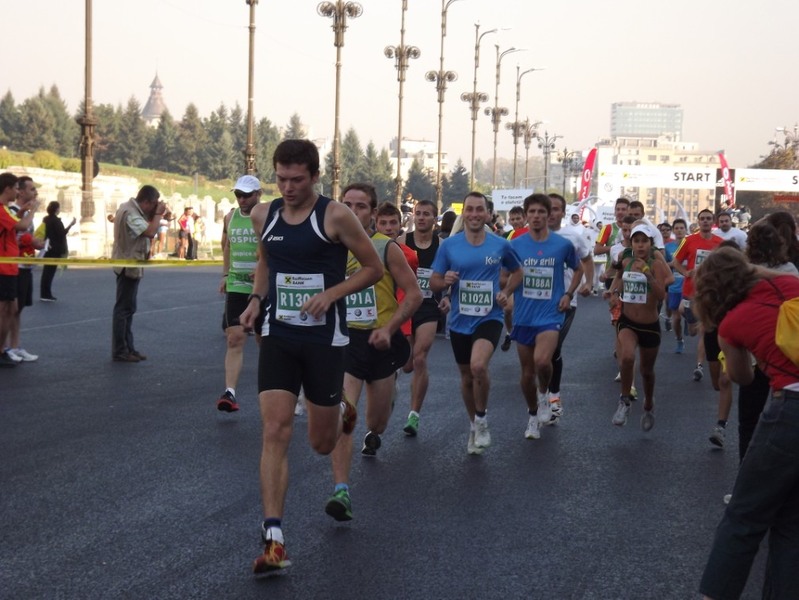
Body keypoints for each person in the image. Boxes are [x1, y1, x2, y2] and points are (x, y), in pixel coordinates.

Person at [238, 140, 382, 574]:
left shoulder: (335, 216)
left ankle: (341, 410)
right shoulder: (263, 215)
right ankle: (274, 540)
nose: (288, 188)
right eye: (281, 179)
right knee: (275, 429)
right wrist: (255, 299)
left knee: (321, 444)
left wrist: (331, 294)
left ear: (315, 176)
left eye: (297, 180)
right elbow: (266, 261)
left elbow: (373, 268)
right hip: (278, 334)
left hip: (324, 339)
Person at [694, 247, 799, 600]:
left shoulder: (732, 323)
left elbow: (743, 377)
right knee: (792, 525)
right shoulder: (790, 284)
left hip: (790, 410)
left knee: (743, 516)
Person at [326, 183, 420, 515]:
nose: (353, 211)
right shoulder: (329, 246)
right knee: (345, 414)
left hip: (381, 341)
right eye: (347, 204)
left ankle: (386, 401)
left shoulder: (386, 248)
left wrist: (390, 328)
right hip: (345, 340)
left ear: (373, 212)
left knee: (376, 422)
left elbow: (414, 295)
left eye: (361, 206)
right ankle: (341, 491)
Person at [430, 192, 522, 454]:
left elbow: (518, 272)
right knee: (467, 377)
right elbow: (434, 282)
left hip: (489, 316)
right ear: (464, 213)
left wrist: (507, 292)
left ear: (488, 214)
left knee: (478, 366)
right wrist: (444, 283)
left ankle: (481, 419)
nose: (474, 214)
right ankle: (473, 425)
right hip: (459, 319)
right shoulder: (450, 246)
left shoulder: (500, 245)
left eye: (479, 209)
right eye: (469, 209)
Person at [505, 194, 583, 440]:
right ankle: (532, 415)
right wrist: (505, 292)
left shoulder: (562, 245)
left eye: (541, 212)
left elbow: (579, 269)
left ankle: (544, 394)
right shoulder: (515, 245)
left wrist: (568, 294)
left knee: (542, 361)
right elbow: (504, 274)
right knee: (527, 373)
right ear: (526, 215)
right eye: (532, 212)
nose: (536, 216)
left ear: (548, 215)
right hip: (524, 315)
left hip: (551, 314)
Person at [606, 223, 673, 429]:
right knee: (627, 357)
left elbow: (661, 295)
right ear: (632, 243)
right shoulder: (627, 260)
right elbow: (619, 278)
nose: (640, 245)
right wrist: (613, 294)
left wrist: (648, 275)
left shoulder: (656, 264)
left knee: (646, 371)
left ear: (650, 243)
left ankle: (649, 404)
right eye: (637, 241)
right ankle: (624, 400)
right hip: (627, 321)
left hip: (649, 325)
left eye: (644, 241)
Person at [397, 199, 449, 436]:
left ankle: (414, 415)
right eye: (418, 213)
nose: (421, 217)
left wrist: (448, 296)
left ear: (435, 219)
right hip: (406, 306)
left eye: (426, 214)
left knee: (419, 358)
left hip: (429, 306)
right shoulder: (401, 242)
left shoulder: (442, 245)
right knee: (407, 364)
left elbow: (451, 273)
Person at [545, 193, 594, 422]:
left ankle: (553, 398)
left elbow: (587, 259)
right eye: (548, 208)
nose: (551, 213)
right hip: (536, 303)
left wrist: (589, 282)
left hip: (566, 301)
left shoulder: (572, 237)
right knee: (538, 354)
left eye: (556, 209)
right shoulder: (530, 237)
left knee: (553, 349)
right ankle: (542, 396)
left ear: (563, 213)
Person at [216, 175, 263, 412]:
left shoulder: (267, 216)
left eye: (247, 195)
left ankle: (279, 389)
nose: (242, 199)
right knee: (234, 337)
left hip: (262, 286)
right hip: (237, 284)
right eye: (238, 195)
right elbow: (227, 246)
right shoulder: (230, 217)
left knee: (265, 341)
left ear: (258, 194)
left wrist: (263, 268)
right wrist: (225, 274)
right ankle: (230, 393)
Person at [111, 186, 166, 362]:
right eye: (154, 205)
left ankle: (128, 348)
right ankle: (120, 350)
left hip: (130, 264)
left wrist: (158, 215)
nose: (154, 208)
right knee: (123, 310)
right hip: (128, 265)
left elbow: (146, 226)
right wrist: (158, 215)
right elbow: (150, 232)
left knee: (128, 308)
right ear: (147, 202)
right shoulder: (130, 213)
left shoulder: (129, 209)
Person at [672, 208, 723, 381]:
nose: (706, 221)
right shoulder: (688, 240)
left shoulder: (720, 243)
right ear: (698, 221)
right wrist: (685, 272)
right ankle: (689, 321)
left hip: (710, 292)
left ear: (713, 221)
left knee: (705, 329)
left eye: (709, 218)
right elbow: (675, 262)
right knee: (694, 330)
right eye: (703, 218)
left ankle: (699, 365)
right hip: (690, 291)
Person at [4, 176, 43, 362]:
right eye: (31, 189)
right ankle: (6, 347)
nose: (35, 192)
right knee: (9, 309)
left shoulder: (21, 213)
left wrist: (35, 243)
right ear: (19, 191)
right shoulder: (10, 211)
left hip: (23, 265)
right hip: (13, 266)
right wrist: (32, 211)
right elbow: (17, 232)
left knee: (17, 309)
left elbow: (24, 234)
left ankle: (14, 346)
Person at [39, 200, 75, 301]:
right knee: (50, 273)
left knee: (46, 272)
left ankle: (44, 293)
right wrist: (71, 225)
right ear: (56, 209)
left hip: (48, 247)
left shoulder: (46, 219)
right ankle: (46, 294)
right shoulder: (56, 221)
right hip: (55, 249)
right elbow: (61, 233)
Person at [664, 218, 687, 353]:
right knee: (677, 318)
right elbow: (663, 265)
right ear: (673, 231)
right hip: (674, 286)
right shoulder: (668, 247)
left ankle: (688, 322)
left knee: (691, 316)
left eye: (681, 228)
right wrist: (673, 264)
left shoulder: (691, 245)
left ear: (685, 230)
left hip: (689, 285)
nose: (679, 230)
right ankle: (679, 340)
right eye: (676, 228)